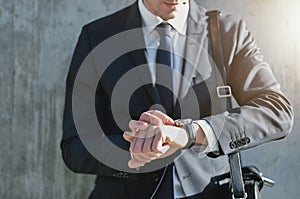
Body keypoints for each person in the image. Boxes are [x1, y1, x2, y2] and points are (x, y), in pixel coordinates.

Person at [61, 0, 294, 198]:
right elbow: (75, 147)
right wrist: (133, 150)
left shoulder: (228, 31)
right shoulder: (98, 36)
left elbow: (276, 111)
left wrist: (192, 133)